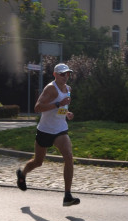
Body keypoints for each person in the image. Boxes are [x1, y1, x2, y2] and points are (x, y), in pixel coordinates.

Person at [16, 62, 81, 206]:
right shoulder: (51, 89)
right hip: (45, 130)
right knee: (38, 162)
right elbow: (37, 107)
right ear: (55, 75)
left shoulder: (68, 89)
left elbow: (61, 107)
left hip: (60, 129)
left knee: (69, 157)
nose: (66, 76)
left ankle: (67, 196)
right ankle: (23, 174)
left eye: (68, 74)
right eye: (62, 74)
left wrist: (67, 113)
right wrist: (58, 104)